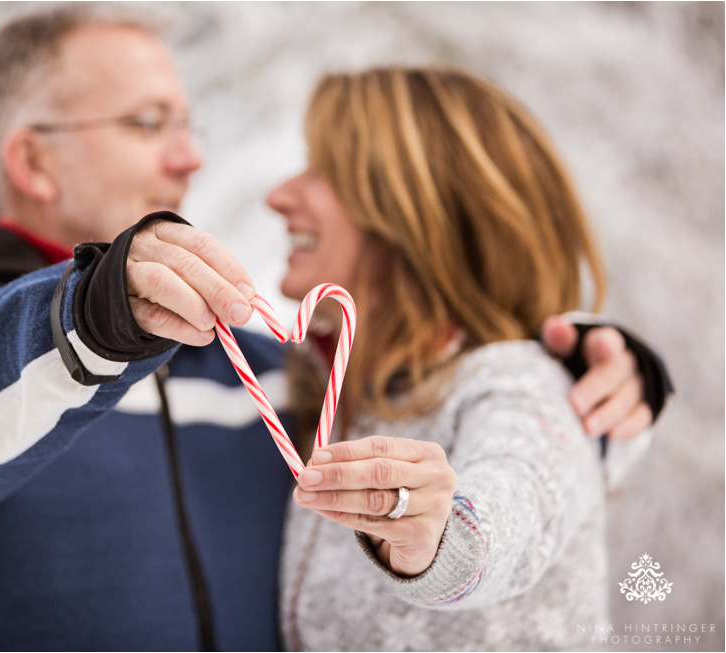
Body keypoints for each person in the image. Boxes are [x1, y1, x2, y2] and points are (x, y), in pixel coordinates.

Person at [0, 7, 670, 651]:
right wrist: (92, 315)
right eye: (148, 122)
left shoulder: (258, 366)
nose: (191, 157)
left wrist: (597, 378)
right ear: (35, 161)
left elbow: (451, 418)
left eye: (188, 123)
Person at [269, 65, 648, 650]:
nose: (278, 195)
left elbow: (516, 493)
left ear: (411, 210)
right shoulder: (333, 396)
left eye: (322, 171)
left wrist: (439, 538)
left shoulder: (521, 385)